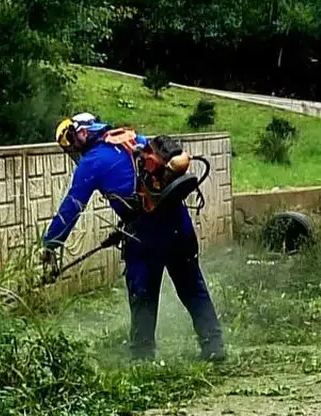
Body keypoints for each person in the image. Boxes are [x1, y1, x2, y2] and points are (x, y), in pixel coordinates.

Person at [43, 113, 224, 361]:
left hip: (145, 235)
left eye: (73, 141)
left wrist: (50, 243)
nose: (74, 149)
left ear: (83, 132)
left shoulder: (91, 162)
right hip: (179, 222)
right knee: (193, 287)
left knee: (143, 296)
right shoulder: (131, 138)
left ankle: (142, 358)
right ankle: (214, 346)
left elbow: (72, 206)